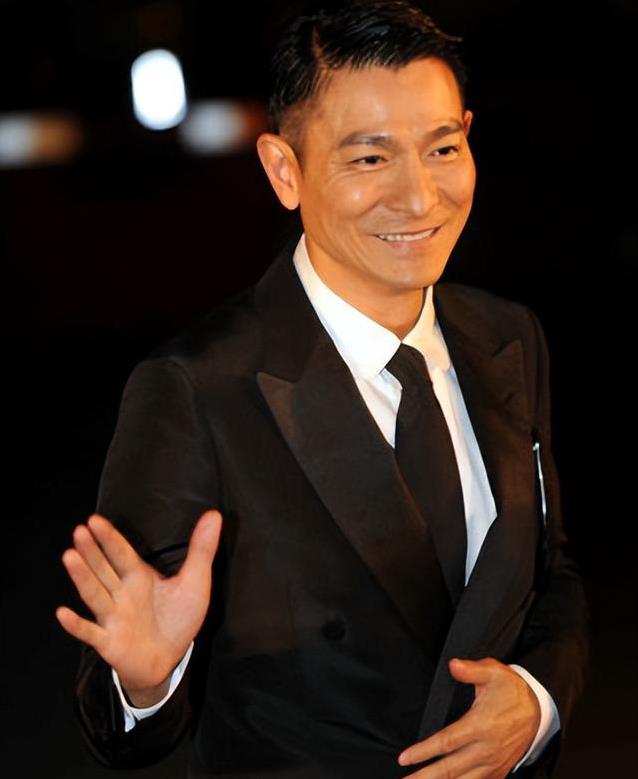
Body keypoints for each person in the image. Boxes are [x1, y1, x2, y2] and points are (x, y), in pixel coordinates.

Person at [56, 2, 589, 777]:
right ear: (285, 170)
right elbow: (116, 725)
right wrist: (145, 678)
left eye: (442, 147)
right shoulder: (198, 389)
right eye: (370, 159)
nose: (420, 197)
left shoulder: (508, 338)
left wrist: (536, 701)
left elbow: (550, 570)